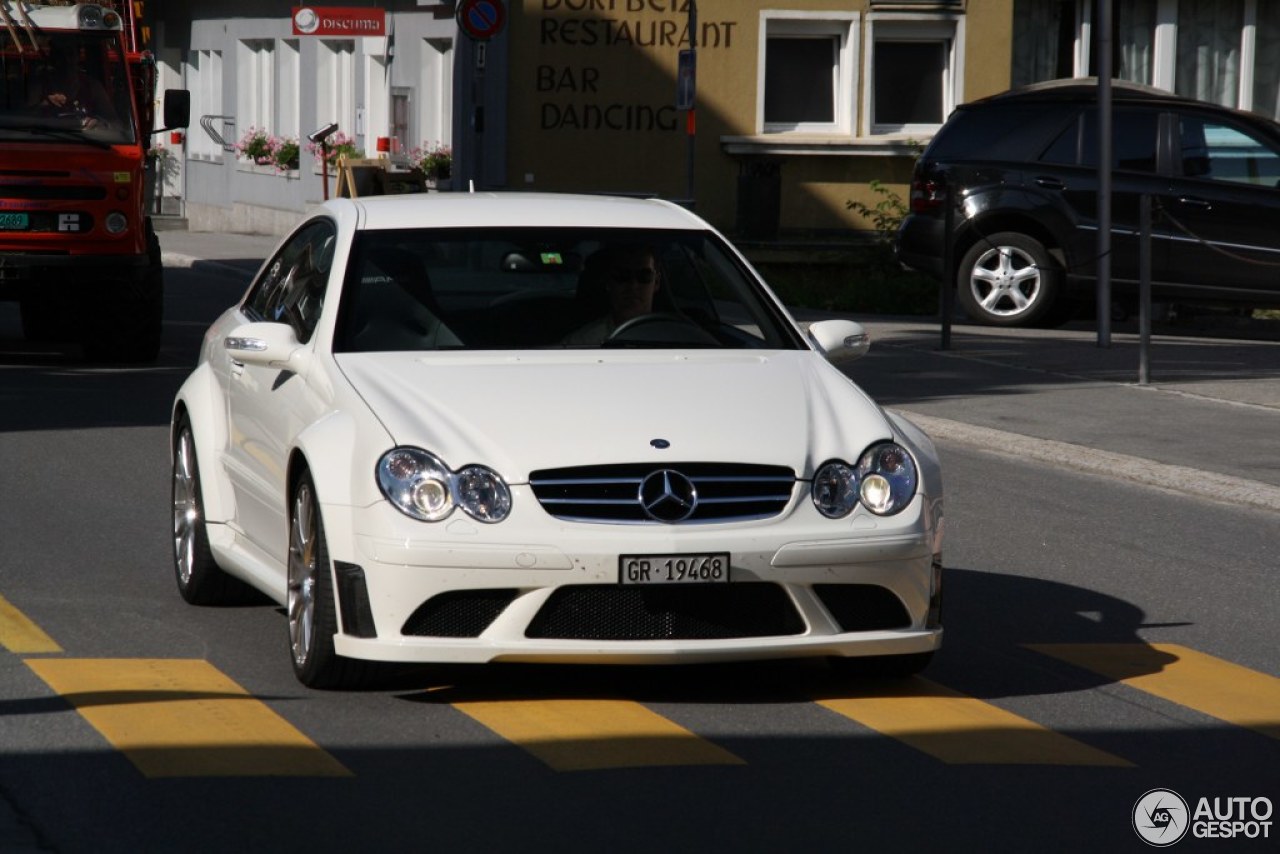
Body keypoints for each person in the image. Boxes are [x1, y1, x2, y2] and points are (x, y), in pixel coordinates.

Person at [562, 243, 662, 345]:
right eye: (622, 276)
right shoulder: (580, 344)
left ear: (657, 282)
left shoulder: (673, 336)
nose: (633, 285)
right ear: (608, 282)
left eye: (644, 276)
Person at [28, 39, 118, 130]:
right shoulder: (41, 86)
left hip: (84, 140)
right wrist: (46, 103)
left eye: (70, 54)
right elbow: (25, 119)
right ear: (53, 57)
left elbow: (115, 124)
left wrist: (99, 124)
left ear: (78, 57)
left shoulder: (92, 87)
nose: (66, 60)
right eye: (60, 55)